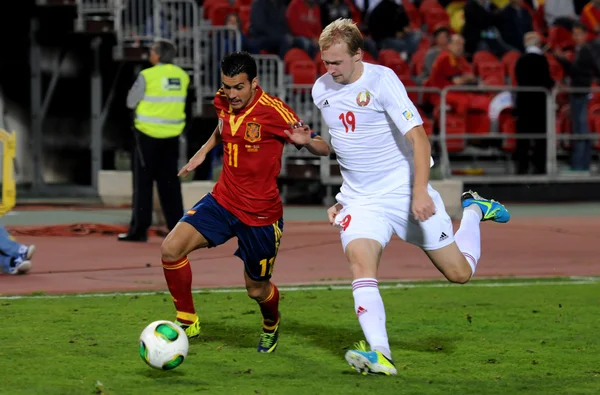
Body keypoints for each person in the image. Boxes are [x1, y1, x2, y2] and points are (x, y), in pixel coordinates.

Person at [312, 18, 510, 376]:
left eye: (337, 62)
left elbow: (419, 138)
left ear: (358, 55)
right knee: (361, 262)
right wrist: (344, 196)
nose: (330, 69)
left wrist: (420, 191)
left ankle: (474, 211)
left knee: (459, 273)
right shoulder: (321, 88)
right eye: (326, 62)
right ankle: (381, 354)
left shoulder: (382, 80)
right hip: (363, 202)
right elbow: (346, 145)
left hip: (404, 191)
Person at [159, 52, 331, 353]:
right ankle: (187, 320)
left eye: (239, 87)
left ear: (254, 83)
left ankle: (270, 325)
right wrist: (205, 149)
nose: (232, 94)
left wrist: (308, 144)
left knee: (256, 289)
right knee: (170, 249)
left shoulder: (275, 111)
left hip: (261, 216)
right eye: (227, 87)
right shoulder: (222, 100)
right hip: (223, 200)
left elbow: (323, 147)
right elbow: (222, 125)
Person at [118, 39, 189, 242]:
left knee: (143, 184)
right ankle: (177, 230)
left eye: (151, 50)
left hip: (147, 136)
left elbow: (130, 101)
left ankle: (139, 230)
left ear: (158, 54)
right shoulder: (182, 76)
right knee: (171, 184)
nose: (150, 53)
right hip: (172, 136)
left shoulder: (147, 75)